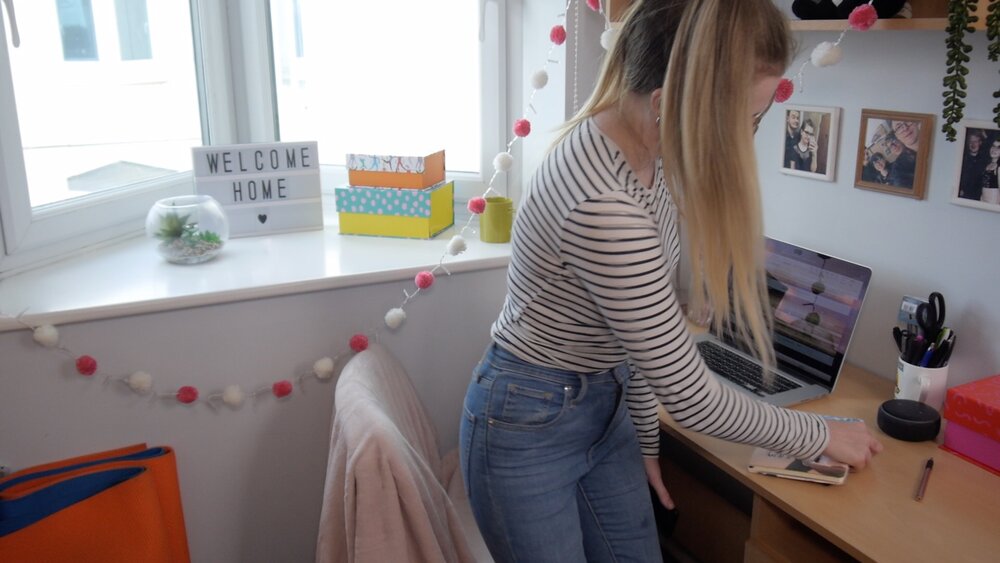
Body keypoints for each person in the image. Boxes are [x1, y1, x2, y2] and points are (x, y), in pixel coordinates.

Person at [459, 1, 882, 561]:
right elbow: (692, 398)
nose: (748, 138)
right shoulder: (605, 204)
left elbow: (626, 338)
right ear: (667, 103)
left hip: (602, 398)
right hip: (529, 418)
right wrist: (824, 436)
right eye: (746, 119)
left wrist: (643, 440)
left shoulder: (645, 151)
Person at [885, 119, 920, 189]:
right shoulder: (900, 170)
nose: (905, 128)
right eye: (898, 127)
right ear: (897, 135)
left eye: (907, 121)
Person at [958, 129, 988, 200]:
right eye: (970, 142)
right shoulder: (963, 159)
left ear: (980, 142)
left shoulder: (984, 159)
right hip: (964, 196)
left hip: (979, 197)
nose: (973, 144)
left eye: (975, 141)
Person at [980, 137, 1000, 204]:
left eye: (998, 148)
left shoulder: (998, 167)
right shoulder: (987, 164)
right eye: (993, 146)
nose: (994, 149)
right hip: (983, 199)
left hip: (993, 201)